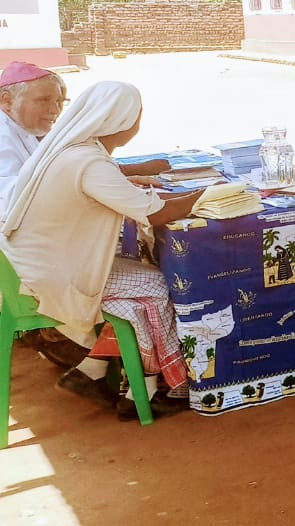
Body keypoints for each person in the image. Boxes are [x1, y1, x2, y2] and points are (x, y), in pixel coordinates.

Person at [0, 81, 205, 420]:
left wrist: (182, 196)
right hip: (52, 275)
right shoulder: (89, 163)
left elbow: (136, 200)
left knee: (133, 300)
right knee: (155, 285)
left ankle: (109, 376)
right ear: (122, 120)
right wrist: (207, 195)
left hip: (35, 265)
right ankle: (166, 385)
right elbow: (154, 213)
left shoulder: (75, 150)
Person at [0, 62, 68, 210]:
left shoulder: (23, 127)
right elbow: (9, 197)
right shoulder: (2, 135)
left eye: (58, 101)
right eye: (43, 100)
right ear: (7, 100)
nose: (55, 110)